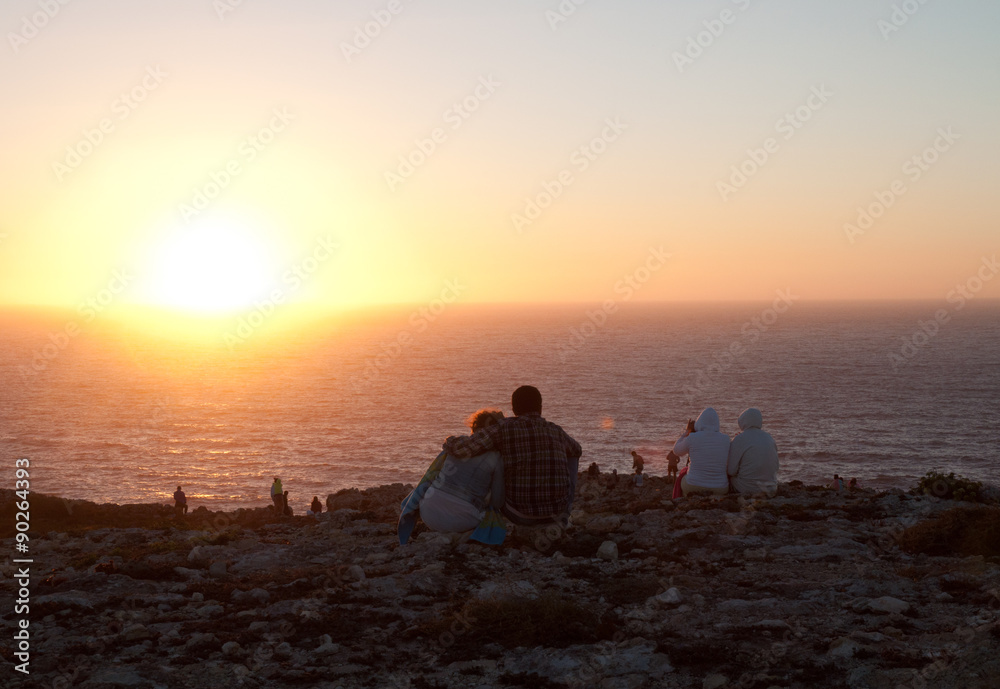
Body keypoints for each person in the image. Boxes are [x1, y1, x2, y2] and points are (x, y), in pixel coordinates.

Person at [442, 386, 582, 527]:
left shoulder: (504, 428)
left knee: (493, 455)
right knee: (572, 454)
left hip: (518, 514)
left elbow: (462, 448)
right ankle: (566, 511)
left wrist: (449, 440)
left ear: (514, 409)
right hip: (556, 514)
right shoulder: (556, 430)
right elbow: (577, 450)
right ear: (540, 408)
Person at [672, 408, 730, 496]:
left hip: (693, 485)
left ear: (699, 421)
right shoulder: (726, 439)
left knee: (683, 475)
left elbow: (676, 451)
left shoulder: (692, 437)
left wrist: (686, 433)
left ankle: (684, 502)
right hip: (720, 488)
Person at [727, 408, 780, 498]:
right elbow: (776, 467)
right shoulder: (769, 438)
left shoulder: (740, 438)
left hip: (747, 489)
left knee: (724, 478)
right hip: (771, 488)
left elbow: (731, 471)